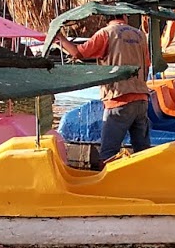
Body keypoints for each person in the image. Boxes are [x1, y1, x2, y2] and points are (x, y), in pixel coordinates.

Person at [57, 11, 152, 160]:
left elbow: (78, 53)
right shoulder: (140, 35)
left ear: (106, 18)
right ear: (124, 17)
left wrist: (60, 39)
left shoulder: (106, 33)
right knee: (143, 152)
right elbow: (147, 65)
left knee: (108, 153)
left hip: (118, 99)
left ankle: (109, 174)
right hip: (141, 98)